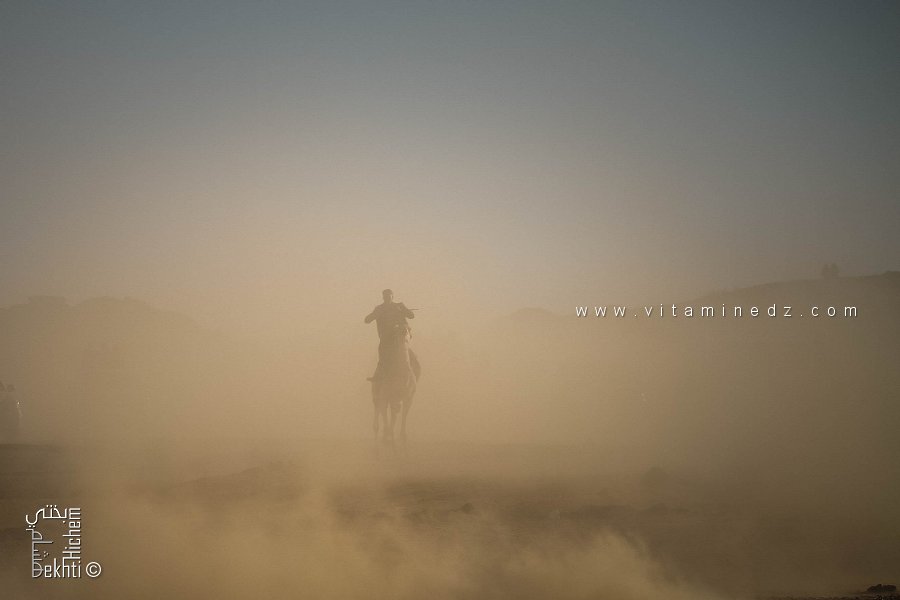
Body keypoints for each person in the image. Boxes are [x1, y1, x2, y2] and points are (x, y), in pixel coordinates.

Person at [365, 289, 421, 381]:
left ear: (392, 296)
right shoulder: (379, 309)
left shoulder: (399, 306)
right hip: (386, 339)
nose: (387, 298)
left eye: (389, 296)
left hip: (401, 337)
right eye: (385, 296)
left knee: (413, 359)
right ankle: (379, 376)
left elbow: (411, 316)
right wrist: (374, 315)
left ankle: (414, 376)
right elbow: (367, 320)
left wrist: (404, 310)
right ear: (383, 298)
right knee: (383, 355)